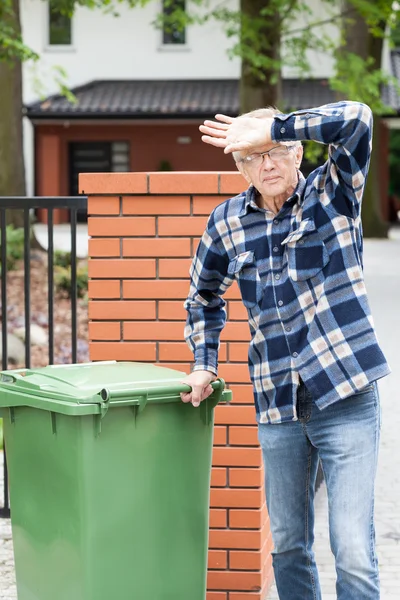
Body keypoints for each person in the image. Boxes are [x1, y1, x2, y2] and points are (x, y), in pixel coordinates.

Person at [180, 101, 391, 600]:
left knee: (352, 548)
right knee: (289, 547)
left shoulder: (333, 193)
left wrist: (270, 126)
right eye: (252, 157)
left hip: (346, 397)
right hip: (278, 404)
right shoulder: (227, 222)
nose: (266, 165)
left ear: (298, 152)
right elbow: (203, 296)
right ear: (240, 167)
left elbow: (359, 117)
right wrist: (203, 364)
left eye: (275, 151)